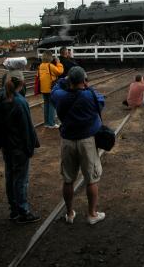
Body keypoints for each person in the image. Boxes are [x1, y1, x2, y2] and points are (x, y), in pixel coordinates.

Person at [51, 66, 106, 225]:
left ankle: (69, 213)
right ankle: (92, 214)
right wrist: (88, 85)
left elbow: (55, 88)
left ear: (70, 81)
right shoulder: (90, 96)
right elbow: (100, 100)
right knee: (91, 179)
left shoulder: (60, 96)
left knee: (68, 179)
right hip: (87, 141)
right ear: (84, 80)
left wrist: (64, 80)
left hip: (67, 141)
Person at [0, 71, 40, 224]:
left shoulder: (2, 98)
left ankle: (14, 210)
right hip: (19, 147)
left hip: (6, 146)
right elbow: (27, 128)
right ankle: (23, 211)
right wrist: (30, 147)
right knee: (21, 180)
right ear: (22, 84)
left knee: (10, 177)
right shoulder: (20, 102)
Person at [38, 50, 63, 129]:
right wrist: (59, 63)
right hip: (50, 88)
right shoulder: (50, 66)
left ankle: (46, 122)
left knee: (46, 105)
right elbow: (60, 72)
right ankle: (51, 123)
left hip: (43, 88)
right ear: (49, 57)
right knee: (52, 105)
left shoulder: (41, 65)